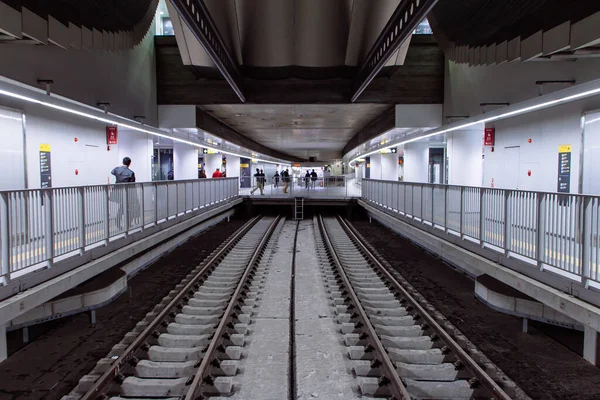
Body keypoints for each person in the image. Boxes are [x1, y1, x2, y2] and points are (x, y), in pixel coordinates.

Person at [110, 157, 138, 229]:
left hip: (118, 192)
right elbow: (132, 185)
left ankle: (118, 221)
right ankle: (128, 223)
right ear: (129, 163)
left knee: (122, 207)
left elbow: (112, 172)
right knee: (128, 208)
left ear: (123, 162)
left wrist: (118, 166)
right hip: (128, 193)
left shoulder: (117, 170)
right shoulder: (131, 173)